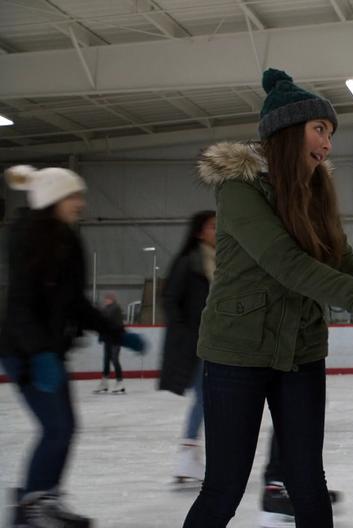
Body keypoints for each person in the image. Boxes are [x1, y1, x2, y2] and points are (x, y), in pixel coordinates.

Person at [182, 68, 353, 528]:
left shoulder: (316, 195)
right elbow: (289, 265)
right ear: (288, 132)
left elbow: (345, 269)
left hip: (302, 352)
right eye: (319, 129)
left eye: (330, 132)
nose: (328, 143)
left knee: (307, 481)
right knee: (225, 488)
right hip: (238, 353)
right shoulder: (240, 190)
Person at [1, 165, 146, 527]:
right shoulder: (27, 239)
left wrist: (116, 332)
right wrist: (38, 355)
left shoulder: (68, 240)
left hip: (48, 350)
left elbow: (75, 303)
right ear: (52, 199)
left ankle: (44, 498)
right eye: (73, 196)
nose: (80, 203)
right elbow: (19, 306)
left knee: (65, 427)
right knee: (57, 427)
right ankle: (31, 507)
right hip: (24, 352)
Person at [159, 210, 216, 485]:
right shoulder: (188, 262)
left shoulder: (220, 261)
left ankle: (190, 454)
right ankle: (187, 454)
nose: (218, 231)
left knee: (209, 398)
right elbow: (170, 300)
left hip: (216, 342)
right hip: (196, 343)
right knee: (206, 397)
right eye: (213, 227)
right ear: (199, 232)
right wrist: (185, 333)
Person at [94, 292, 126, 394]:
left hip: (116, 339)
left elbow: (108, 319)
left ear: (112, 299)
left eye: (107, 298)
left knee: (114, 359)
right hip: (108, 339)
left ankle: (120, 382)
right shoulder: (106, 308)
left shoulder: (116, 308)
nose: (105, 300)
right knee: (106, 360)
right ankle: (104, 383)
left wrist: (99, 311)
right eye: (105, 298)